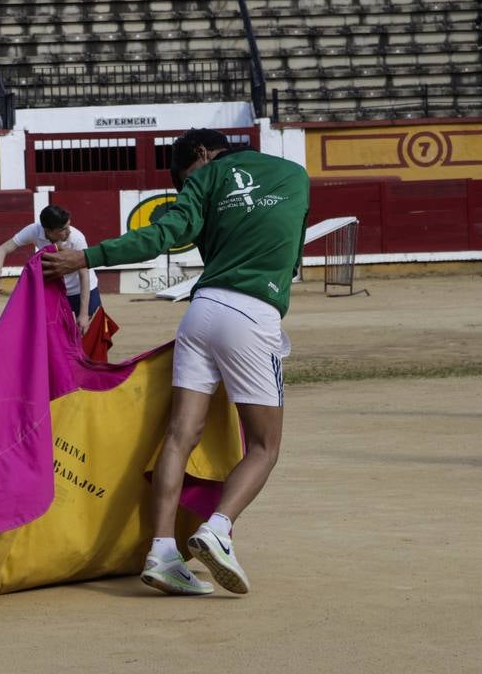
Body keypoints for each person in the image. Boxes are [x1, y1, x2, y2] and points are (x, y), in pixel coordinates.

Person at [43, 129, 308, 597]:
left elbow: (166, 234)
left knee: (180, 435)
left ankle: (162, 552)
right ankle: (218, 529)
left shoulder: (205, 180)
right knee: (265, 447)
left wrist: (88, 257)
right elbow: (291, 256)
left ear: (202, 155)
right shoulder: (294, 175)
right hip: (254, 312)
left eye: (188, 174)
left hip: (201, 311)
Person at [0, 205, 97, 336]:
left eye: (68, 226)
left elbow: (84, 275)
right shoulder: (35, 231)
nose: (68, 231)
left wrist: (84, 314)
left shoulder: (76, 238)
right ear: (48, 231)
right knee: (56, 337)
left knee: (88, 338)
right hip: (56, 291)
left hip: (82, 290)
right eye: (63, 229)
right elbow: (2, 249)